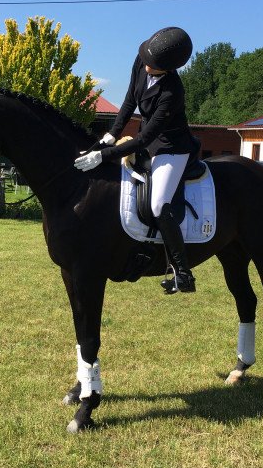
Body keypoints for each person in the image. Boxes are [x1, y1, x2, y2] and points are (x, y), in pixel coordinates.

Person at [74, 27, 197, 293]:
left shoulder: (173, 91)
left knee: (158, 204)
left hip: (170, 147)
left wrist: (103, 155)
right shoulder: (143, 57)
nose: (148, 67)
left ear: (169, 68)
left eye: (154, 66)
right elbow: (129, 101)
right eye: (148, 61)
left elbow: (146, 137)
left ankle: (183, 272)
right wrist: (110, 135)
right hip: (147, 140)